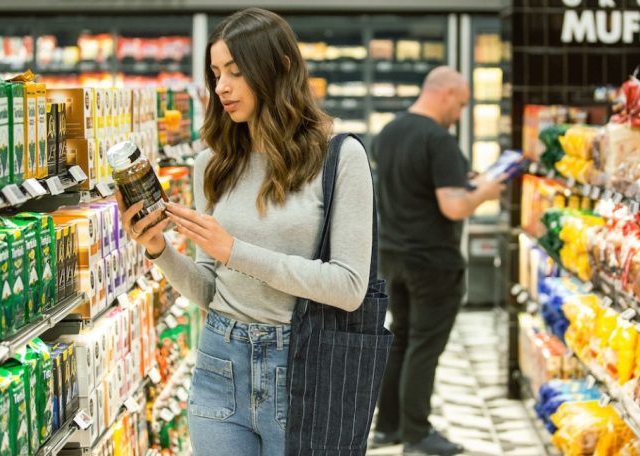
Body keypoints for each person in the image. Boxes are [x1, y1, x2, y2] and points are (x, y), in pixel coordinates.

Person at [116, 8, 374, 455]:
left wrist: (235, 251)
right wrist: (157, 248)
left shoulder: (339, 157)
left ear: (281, 67)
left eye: (235, 71)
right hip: (221, 362)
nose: (222, 87)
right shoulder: (212, 165)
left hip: (304, 368)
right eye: (216, 74)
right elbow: (209, 290)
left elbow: (349, 287)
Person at [371, 66, 506, 455]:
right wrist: (486, 192)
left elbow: (416, 187)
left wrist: (466, 181)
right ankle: (417, 434)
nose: (460, 114)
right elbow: (453, 206)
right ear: (446, 93)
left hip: (393, 256)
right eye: (461, 104)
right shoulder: (438, 139)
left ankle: (388, 427)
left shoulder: (388, 133)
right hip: (432, 261)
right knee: (425, 345)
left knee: (401, 338)